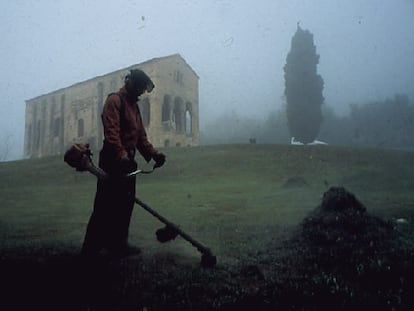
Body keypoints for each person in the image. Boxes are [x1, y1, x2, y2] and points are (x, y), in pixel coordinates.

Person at [81, 69, 166, 258]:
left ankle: (118, 244)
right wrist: (121, 155)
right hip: (112, 159)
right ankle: (91, 248)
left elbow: (140, 137)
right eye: (140, 88)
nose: (141, 93)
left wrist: (154, 154)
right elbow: (111, 131)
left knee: (125, 205)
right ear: (131, 84)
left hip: (128, 161)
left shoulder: (134, 107)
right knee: (104, 205)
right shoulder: (115, 101)